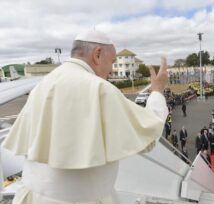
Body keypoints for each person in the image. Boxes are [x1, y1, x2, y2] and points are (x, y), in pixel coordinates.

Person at [2, 30, 169, 204]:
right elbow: (148, 139)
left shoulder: (41, 86)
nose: (112, 70)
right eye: (112, 61)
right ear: (97, 54)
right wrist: (156, 92)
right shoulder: (100, 88)